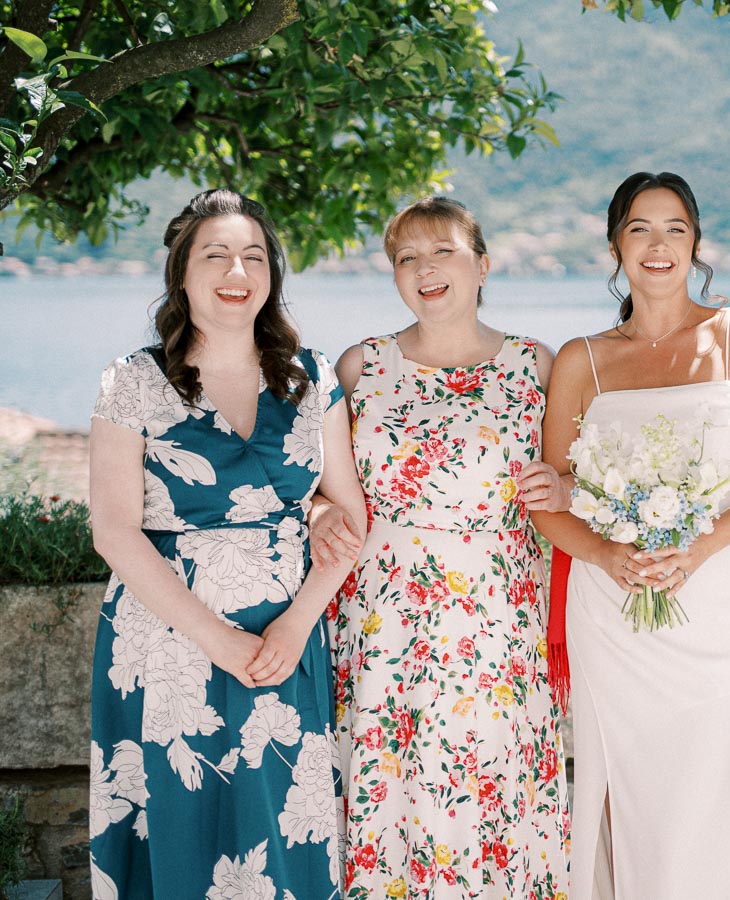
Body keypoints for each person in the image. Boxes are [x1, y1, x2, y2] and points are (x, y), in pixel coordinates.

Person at [87, 189, 366, 896]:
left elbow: (349, 513)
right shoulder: (132, 383)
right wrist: (218, 641)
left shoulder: (312, 380)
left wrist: (297, 625)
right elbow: (114, 531)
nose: (236, 270)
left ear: (271, 275)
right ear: (181, 274)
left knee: (282, 832)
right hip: (167, 644)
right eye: (215, 255)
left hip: (286, 645)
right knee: (181, 828)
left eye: (253, 256)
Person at [534, 171, 730, 899]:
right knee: (623, 788)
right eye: (640, 228)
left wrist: (699, 546)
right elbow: (548, 500)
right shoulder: (579, 359)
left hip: (715, 601)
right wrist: (609, 553)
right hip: (609, 609)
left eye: (674, 228)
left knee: (701, 784)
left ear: (697, 243)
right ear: (617, 243)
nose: (658, 244)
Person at [324, 197, 569, 898]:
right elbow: (315, 483)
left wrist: (563, 483)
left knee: (486, 792)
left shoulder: (535, 365)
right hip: (385, 624)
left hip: (495, 625)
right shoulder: (360, 366)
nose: (425, 269)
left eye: (444, 252)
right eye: (407, 258)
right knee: (389, 793)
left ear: (482, 265)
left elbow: (570, 474)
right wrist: (318, 514)